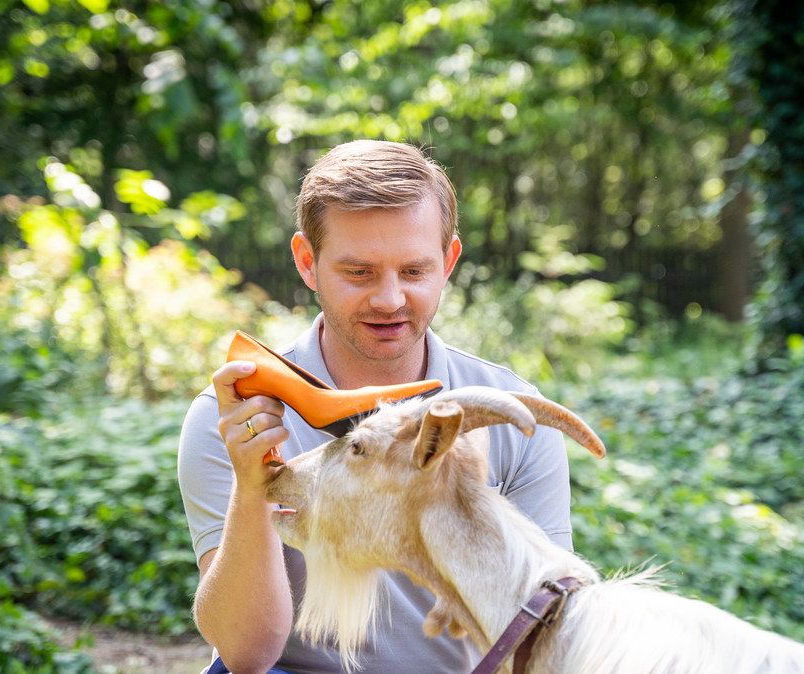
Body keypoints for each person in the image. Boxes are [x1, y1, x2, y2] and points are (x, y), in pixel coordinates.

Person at [177, 140, 575, 674]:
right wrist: (253, 488)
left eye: (413, 271)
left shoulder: (513, 418)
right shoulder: (237, 418)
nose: (389, 300)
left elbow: (546, 628)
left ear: (448, 261)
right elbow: (245, 654)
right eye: (359, 272)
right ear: (307, 262)